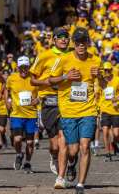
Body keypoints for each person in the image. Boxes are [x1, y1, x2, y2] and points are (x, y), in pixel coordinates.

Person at [49, 27, 102, 194]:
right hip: (69, 111)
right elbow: (50, 80)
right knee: (73, 149)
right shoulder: (64, 59)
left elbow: (103, 84)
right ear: (74, 43)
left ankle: (80, 184)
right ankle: (71, 162)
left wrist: (100, 76)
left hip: (88, 110)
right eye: (77, 42)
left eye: (83, 42)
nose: (81, 45)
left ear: (87, 42)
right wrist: (65, 77)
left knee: (85, 146)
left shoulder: (95, 60)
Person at [30, 27, 76, 187]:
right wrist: (48, 82)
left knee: (66, 142)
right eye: (60, 37)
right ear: (54, 40)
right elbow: (33, 81)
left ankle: (66, 169)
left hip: (67, 100)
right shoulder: (44, 55)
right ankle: (55, 157)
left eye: (66, 37)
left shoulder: (73, 55)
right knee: (55, 145)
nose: (64, 40)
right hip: (48, 100)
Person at [6, 56, 39, 174]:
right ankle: (19, 154)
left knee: (30, 142)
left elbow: (42, 92)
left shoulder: (34, 78)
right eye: (21, 68)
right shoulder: (12, 78)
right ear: (18, 68)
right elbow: (6, 90)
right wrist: (7, 102)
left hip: (31, 115)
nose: (24, 70)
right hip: (17, 114)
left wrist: (38, 100)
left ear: (29, 67)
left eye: (26, 67)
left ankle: (27, 163)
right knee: (18, 139)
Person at [98, 62, 119, 161]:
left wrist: (117, 99)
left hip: (115, 110)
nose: (107, 72)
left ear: (111, 70)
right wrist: (97, 108)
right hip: (104, 109)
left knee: (116, 134)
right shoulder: (101, 81)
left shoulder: (117, 80)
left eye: (108, 70)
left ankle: (114, 144)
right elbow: (97, 95)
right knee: (105, 131)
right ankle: (107, 152)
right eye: (105, 70)